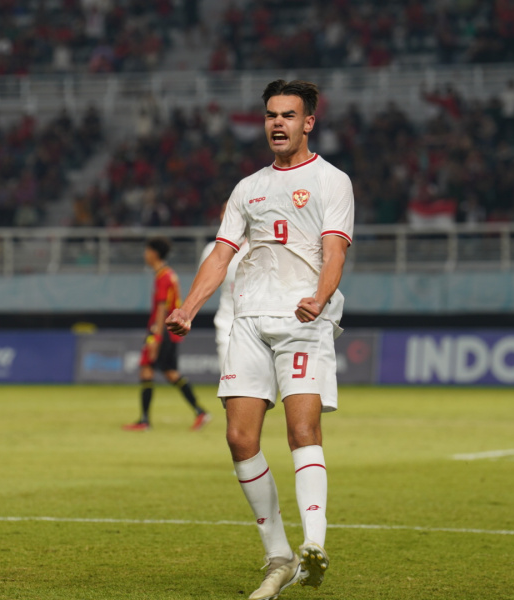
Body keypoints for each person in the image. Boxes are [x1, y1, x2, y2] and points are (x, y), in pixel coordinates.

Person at [167, 80, 353, 600]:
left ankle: (314, 543)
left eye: (289, 115)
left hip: (303, 317)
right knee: (239, 438)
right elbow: (223, 253)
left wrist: (319, 296)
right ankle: (279, 556)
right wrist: (188, 306)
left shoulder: (331, 181)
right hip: (249, 317)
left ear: (308, 122)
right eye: (271, 115)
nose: (277, 123)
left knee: (301, 428)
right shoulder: (247, 188)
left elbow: (334, 250)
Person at [123, 237, 210, 432]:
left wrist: (155, 337)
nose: (145, 255)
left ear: (154, 253)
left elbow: (162, 308)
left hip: (161, 331)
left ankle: (145, 421)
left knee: (148, 368)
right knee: (170, 373)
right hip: (168, 332)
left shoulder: (163, 276)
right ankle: (199, 411)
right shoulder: (169, 275)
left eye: (147, 251)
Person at [199, 200, 250, 371]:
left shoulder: (260, 247)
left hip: (259, 323)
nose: (227, 215)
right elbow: (203, 286)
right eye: (224, 211)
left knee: (260, 388)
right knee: (229, 383)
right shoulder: (211, 250)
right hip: (227, 323)